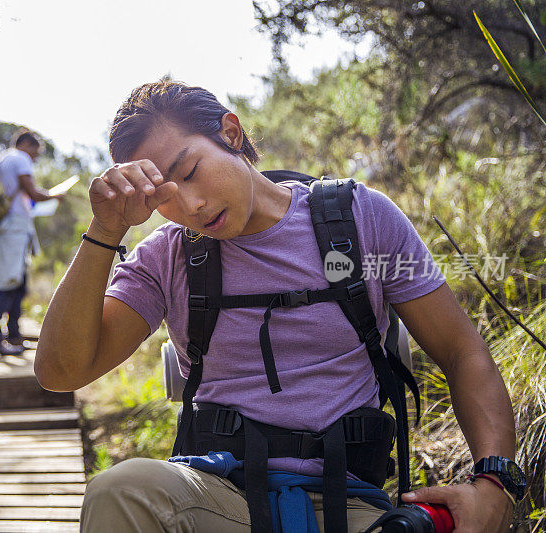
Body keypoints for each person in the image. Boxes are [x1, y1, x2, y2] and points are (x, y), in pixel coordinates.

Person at [34, 81, 518, 532]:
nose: (193, 206)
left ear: (231, 132)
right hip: (219, 494)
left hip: (352, 503)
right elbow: (60, 372)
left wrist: (495, 483)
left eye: (190, 171)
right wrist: (105, 231)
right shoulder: (167, 257)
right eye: (166, 197)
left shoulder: (361, 219)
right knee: (121, 490)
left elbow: (462, 352)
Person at [0, 129, 60, 357]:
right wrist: (56, 195)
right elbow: (33, 193)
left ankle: (14, 335)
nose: (35, 158)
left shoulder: (6, 160)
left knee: (18, 285)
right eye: (35, 153)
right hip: (12, 230)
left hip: (14, 229)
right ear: (26, 144)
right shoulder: (18, 158)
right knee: (7, 284)